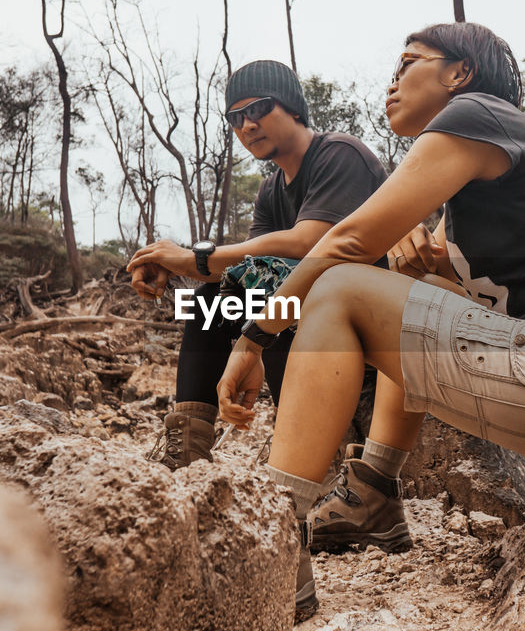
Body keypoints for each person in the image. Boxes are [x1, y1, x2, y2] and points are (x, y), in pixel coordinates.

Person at [215, 23, 525, 622]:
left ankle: (276, 542)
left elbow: (349, 241)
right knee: (412, 287)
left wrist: (254, 338)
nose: (390, 85)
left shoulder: (475, 115)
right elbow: (433, 288)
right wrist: (430, 262)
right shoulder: (483, 170)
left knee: (338, 289)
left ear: (458, 74)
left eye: (407, 63)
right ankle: (373, 494)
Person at [126, 59, 386, 470]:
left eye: (258, 108)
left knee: (286, 300)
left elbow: (308, 242)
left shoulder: (338, 155)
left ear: (294, 108)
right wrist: (176, 266)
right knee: (211, 301)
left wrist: (190, 255)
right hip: (302, 316)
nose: (246, 125)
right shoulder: (270, 191)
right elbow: (246, 272)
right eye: (235, 116)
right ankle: (187, 452)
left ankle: (308, 451)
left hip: (366, 325)